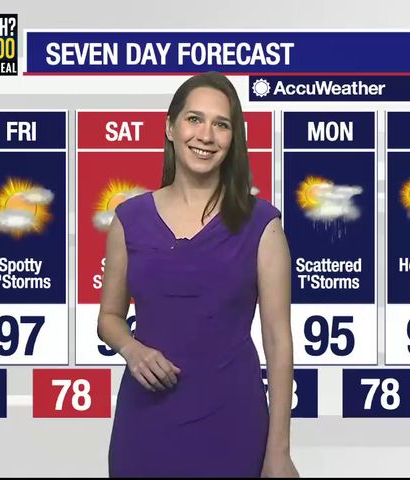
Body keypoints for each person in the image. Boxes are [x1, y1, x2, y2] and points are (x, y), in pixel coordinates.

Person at [98, 71, 299, 477]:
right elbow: (109, 319)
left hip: (233, 425)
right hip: (145, 427)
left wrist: (278, 452)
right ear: (170, 127)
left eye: (221, 124)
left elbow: (278, 341)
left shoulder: (262, 225)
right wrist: (132, 349)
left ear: (233, 139)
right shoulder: (128, 220)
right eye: (194, 119)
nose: (206, 135)